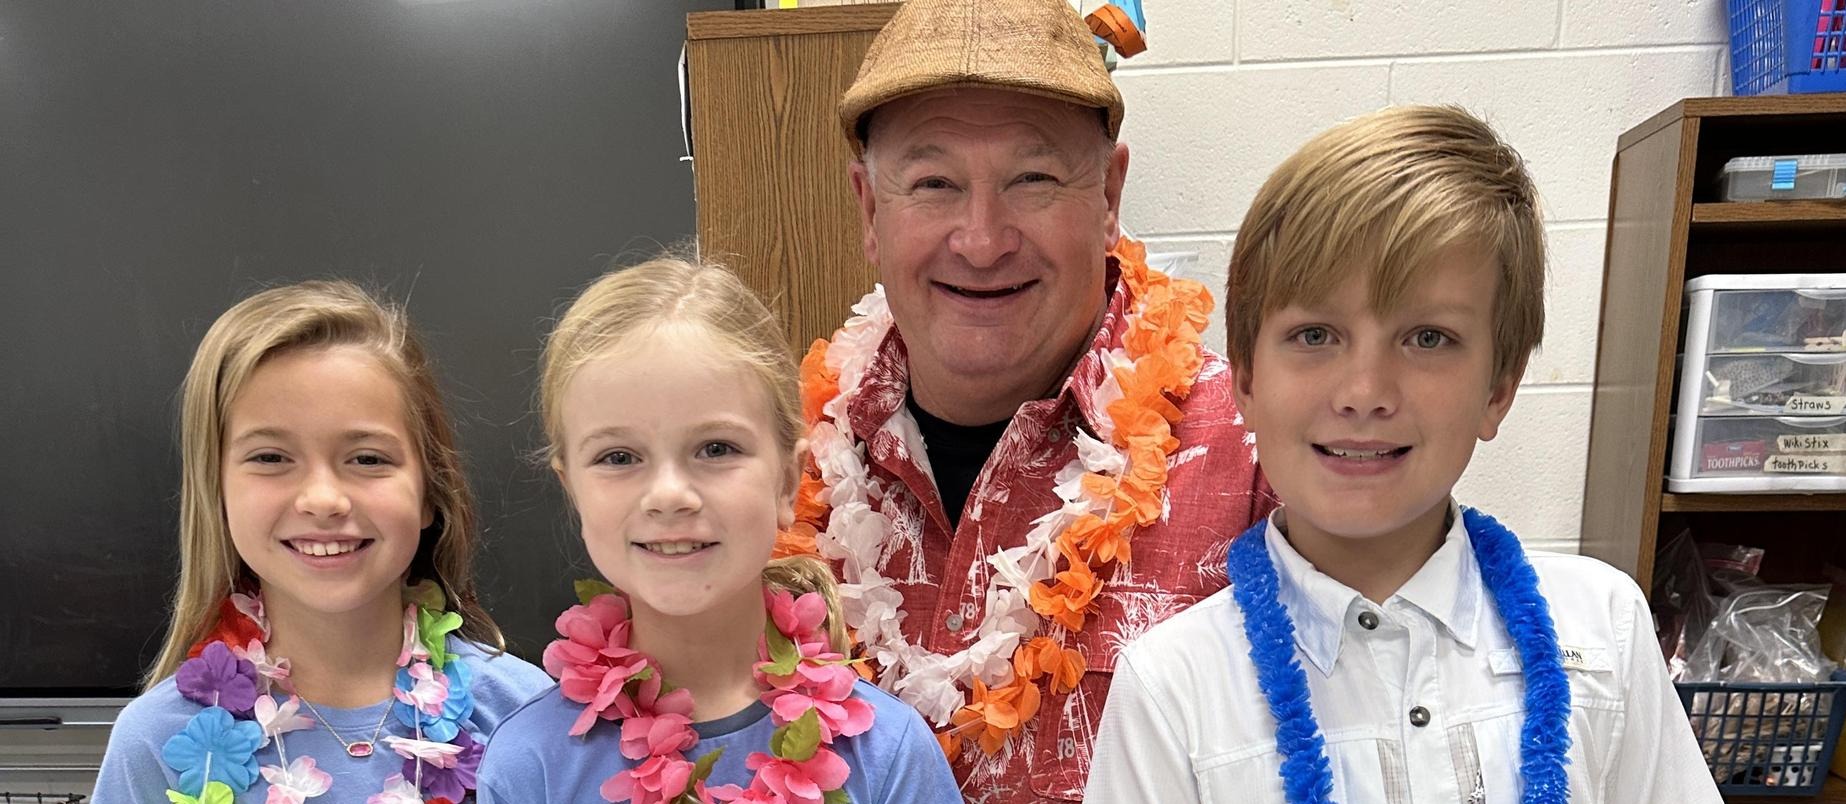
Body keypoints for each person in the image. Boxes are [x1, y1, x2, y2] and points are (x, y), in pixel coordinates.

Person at [1084, 105, 1721, 803]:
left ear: (1498, 388)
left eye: (1427, 338)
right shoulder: (1172, 689)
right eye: (1316, 335)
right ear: (1245, 380)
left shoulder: (1603, 632)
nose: (1364, 393)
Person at [788, 0, 1272, 798]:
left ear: (1110, 196)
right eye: (933, 183)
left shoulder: (1258, 453)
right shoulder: (770, 471)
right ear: (870, 210)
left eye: (1034, 178)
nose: (981, 239)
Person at [476, 256, 961, 803]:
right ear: (573, 491)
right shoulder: (530, 767)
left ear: (785, 482)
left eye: (716, 448)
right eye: (618, 456)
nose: (668, 495)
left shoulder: (886, 756)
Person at [95, 280, 550, 803]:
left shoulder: (524, 715)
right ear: (216, 493)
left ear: (430, 492)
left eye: (368, 459)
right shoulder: (156, 744)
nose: (323, 499)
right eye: (270, 458)